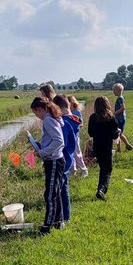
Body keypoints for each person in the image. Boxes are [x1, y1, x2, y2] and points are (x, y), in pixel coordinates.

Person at [31, 97, 66, 234]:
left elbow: (59, 141)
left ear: (40, 109)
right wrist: (42, 146)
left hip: (53, 160)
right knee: (55, 192)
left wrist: (42, 152)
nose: (37, 116)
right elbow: (52, 139)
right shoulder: (52, 117)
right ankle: (59, 221)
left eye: (35, 113)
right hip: (55, 159)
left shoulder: (47, 119)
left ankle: (47, 226)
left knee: (50, 194)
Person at [88, 96, 120, 200]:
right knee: (108, 170)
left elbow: (90, 133)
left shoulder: (93, 117)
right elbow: (114, 136)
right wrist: (117, 132)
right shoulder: (111, 118)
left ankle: (100, 189)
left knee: (103, 169)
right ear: (107, 105)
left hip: (97, 147)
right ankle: (101, 190)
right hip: (107, 147)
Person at [53, 95, 76, 223]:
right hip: (69, 157)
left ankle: (60, 218)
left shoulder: (65, 123)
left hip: (63, 158)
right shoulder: (73, 119)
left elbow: (62, 143)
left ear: (59, 108)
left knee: (59, 189)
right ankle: (66, 217)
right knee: (64, 189)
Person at [68, 95, 90, 178]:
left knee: (77, 154)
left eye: (68, 102)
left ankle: (84, 170)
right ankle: (73, 171)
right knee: (70, 154)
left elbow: (81, 124)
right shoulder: (67, 112)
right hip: (68, 136)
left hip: (75, 136)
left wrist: (74, 125)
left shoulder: (77, 112)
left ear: (72, 102)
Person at [112, 83, 133, 152]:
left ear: (117, 90)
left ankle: (126, 146)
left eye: (114, 90)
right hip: (120, 118)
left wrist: (114, 113)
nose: (113, 92)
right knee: (118, 134)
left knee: (119, 133)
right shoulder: (120, 98)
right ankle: (124, 147)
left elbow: (123, 108)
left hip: (120, 119)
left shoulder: (120, 99)